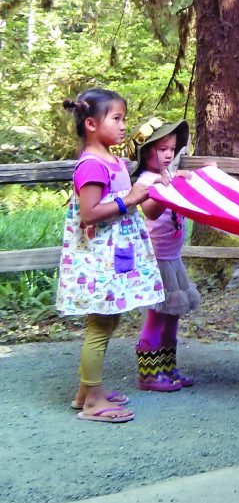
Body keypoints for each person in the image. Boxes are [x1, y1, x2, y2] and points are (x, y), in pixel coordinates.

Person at [57, 88, 165, 423]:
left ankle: (86, 392)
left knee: (109, 319)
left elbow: (145, 208)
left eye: (124, 118)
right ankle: (92, 401)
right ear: (91, 123)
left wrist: (165, 189)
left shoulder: (114, 161)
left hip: (113, 257)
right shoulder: (91, 165)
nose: (123, 126)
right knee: (100, 324)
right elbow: (89, 213)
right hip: (97, 261)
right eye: (116, 118)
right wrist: (128, 199)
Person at [129, 118, 201, 392]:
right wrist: (164, 189)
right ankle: (148, 375)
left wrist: (178, 181)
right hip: (156, 260)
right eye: (161, 149)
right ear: (147, 152)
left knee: (173, 315)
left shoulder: (169, 175)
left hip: (173, 259)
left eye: (172, 148)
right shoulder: (148, 181)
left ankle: (168, 367)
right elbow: (151, 211)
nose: (169, 154)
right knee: (157, 316)